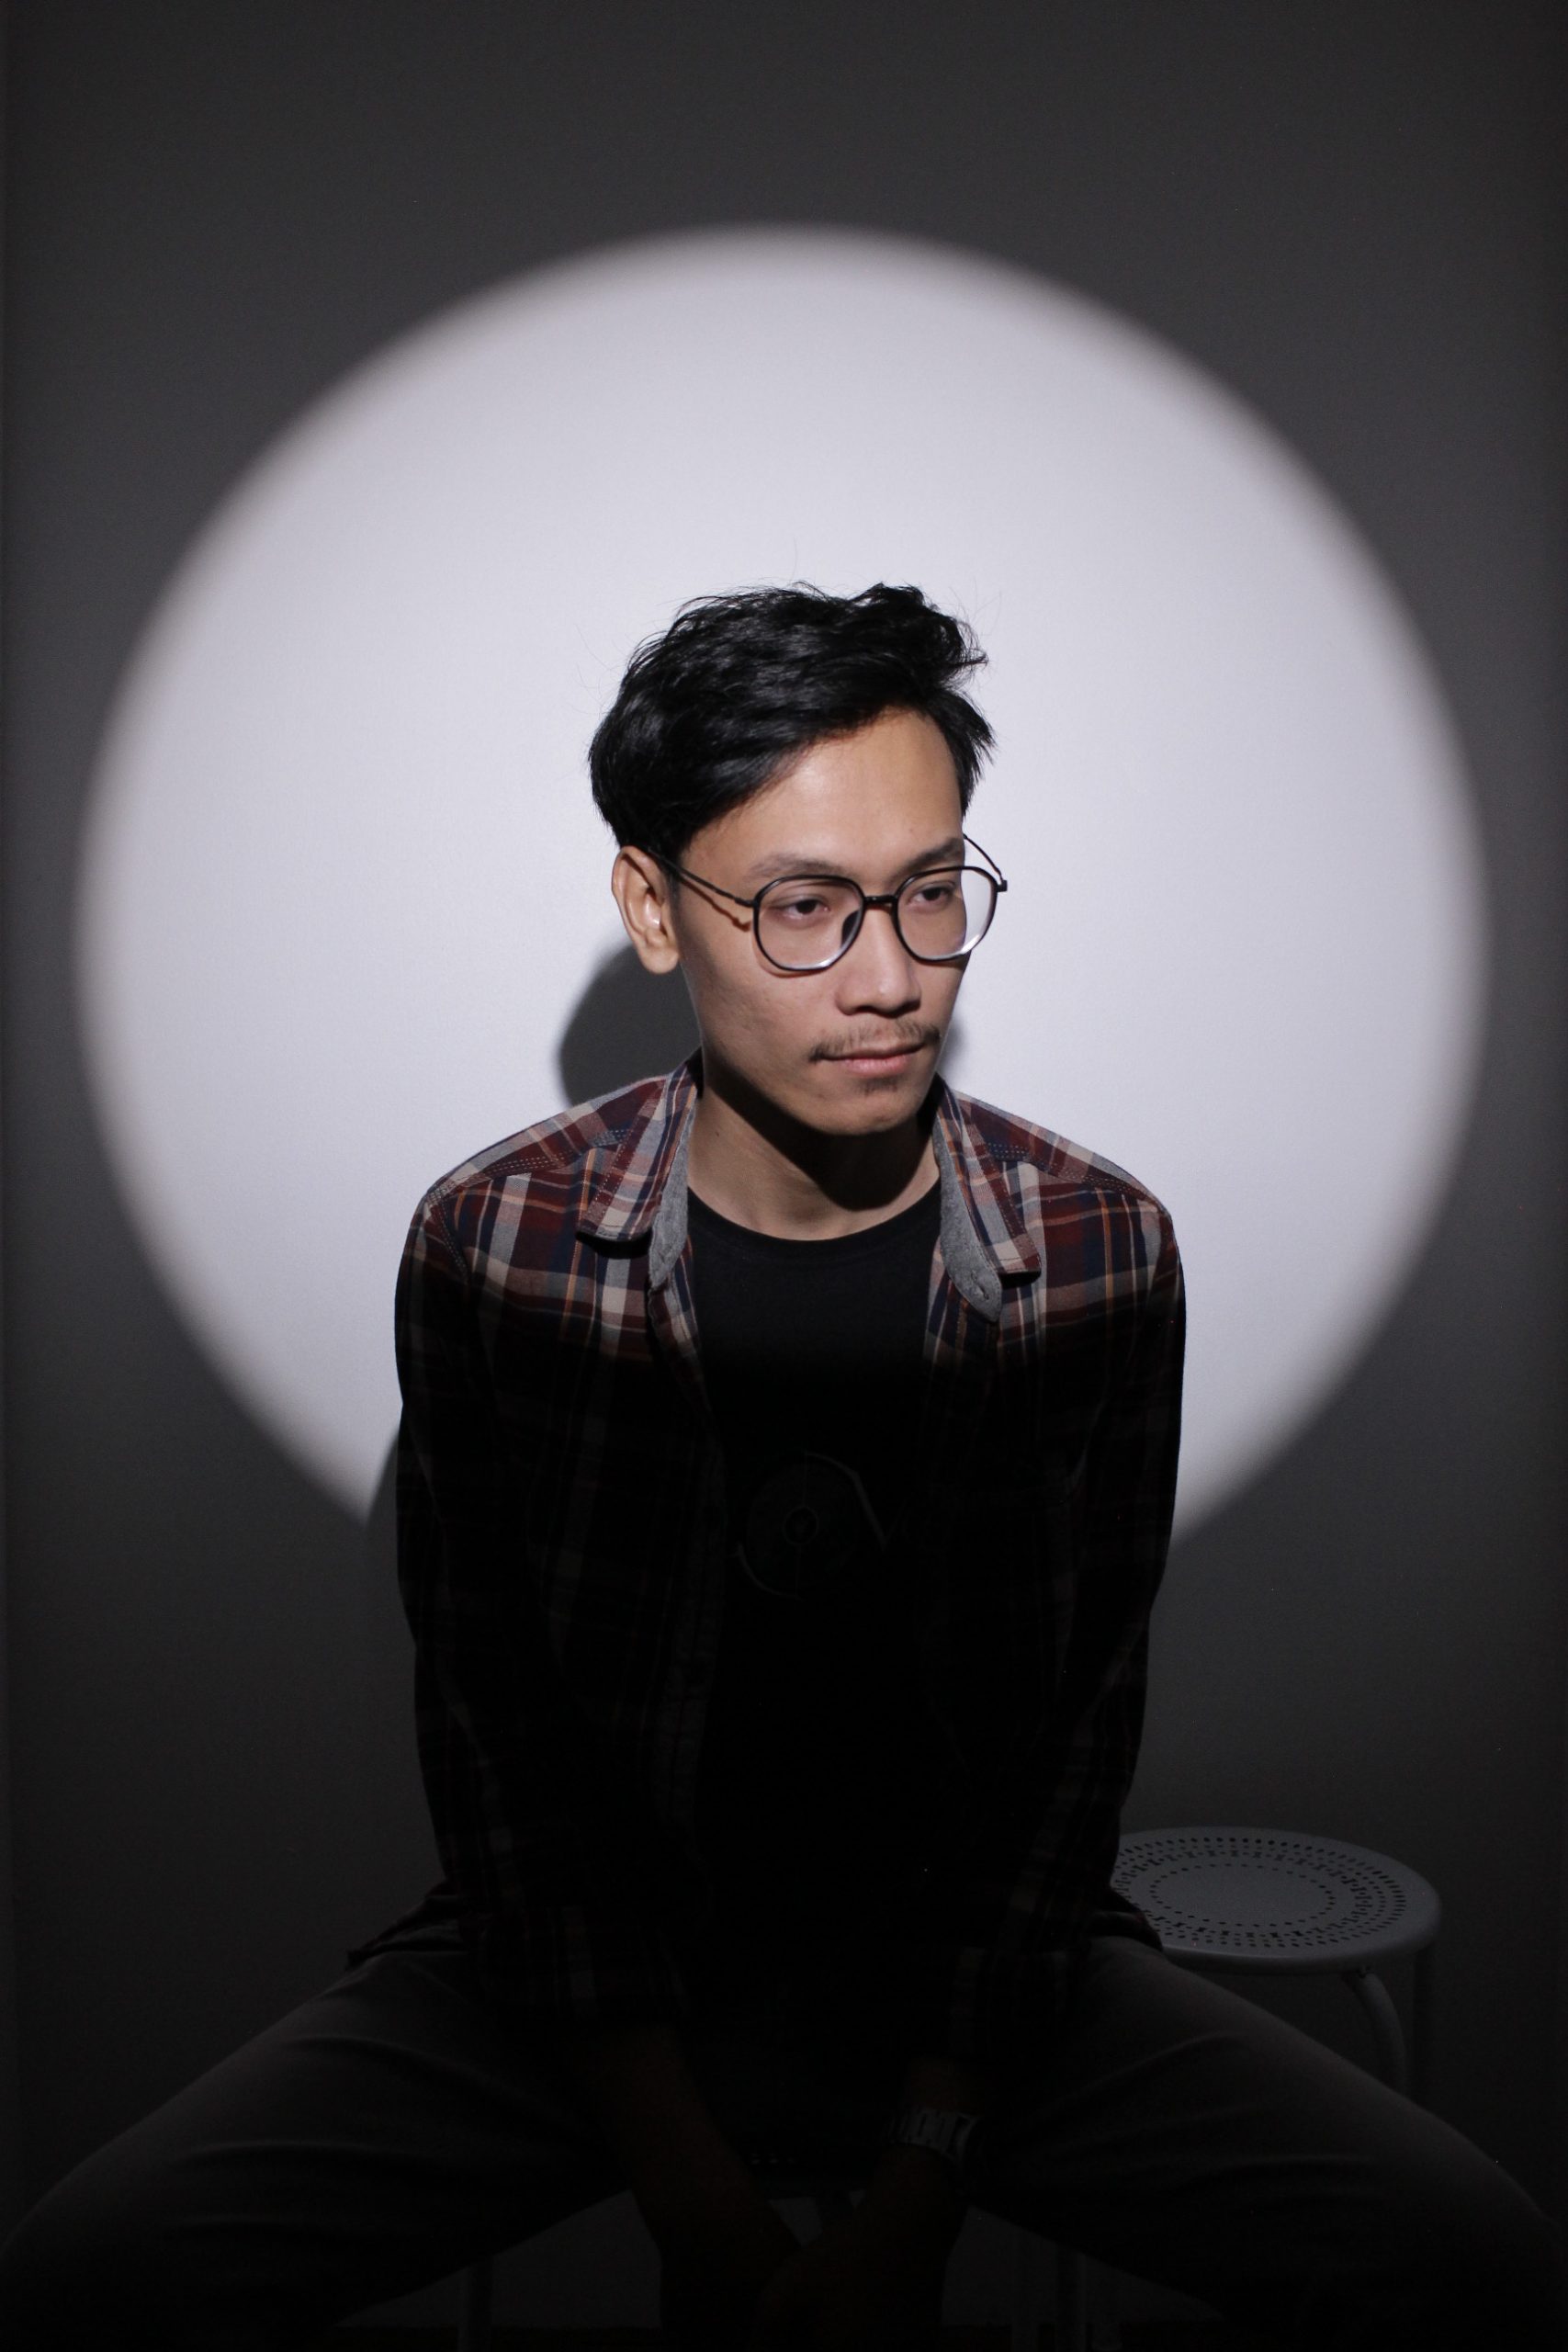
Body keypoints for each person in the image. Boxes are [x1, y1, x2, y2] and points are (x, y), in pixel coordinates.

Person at [0, 582, 1561, 2352]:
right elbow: (507, 1771)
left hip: (967, 1998)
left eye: (931, 892)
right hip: (597, 1992)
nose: (891, 978)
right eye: (806, 908)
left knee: (1475, 2260)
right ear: (651, 909)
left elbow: (1063, 1772)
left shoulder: (1095, 1250)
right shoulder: (500, 1247)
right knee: (88, 2278)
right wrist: (700, 2201)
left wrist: (921, 2179)